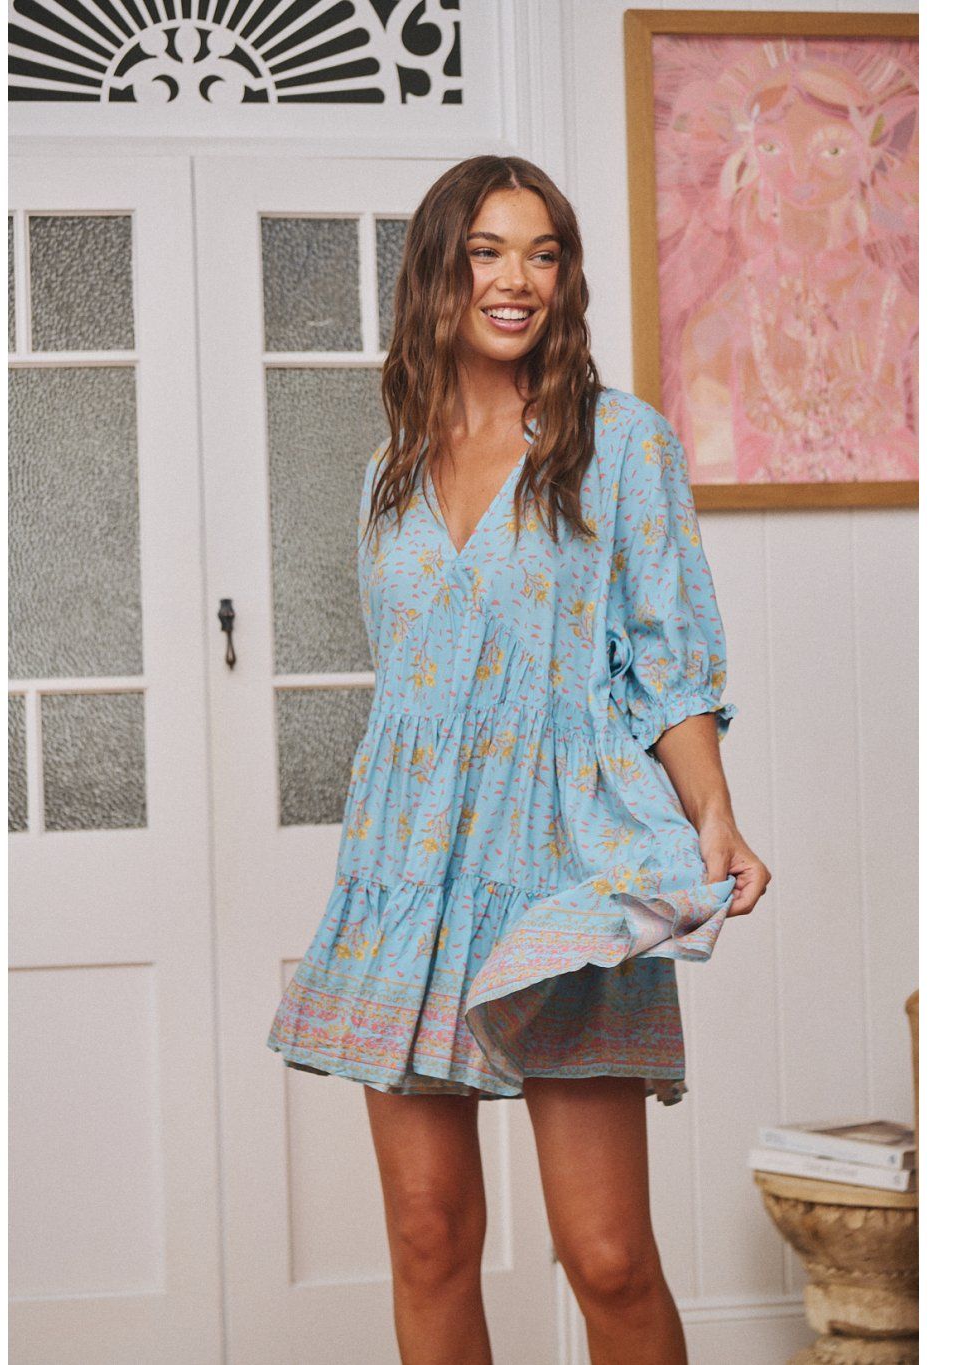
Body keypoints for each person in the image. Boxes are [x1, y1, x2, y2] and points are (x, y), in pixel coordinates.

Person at [267, 155, 771, 1365]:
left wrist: (714, 814)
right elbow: (415, 686)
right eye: (487, 251)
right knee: (428, 1237)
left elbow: (668, 661)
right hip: (408, 869)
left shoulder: (620, 443)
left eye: (542, 254)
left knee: (607, 1255)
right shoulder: (391, 467)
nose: (517, 279)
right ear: (437, 270)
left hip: (561, 864)